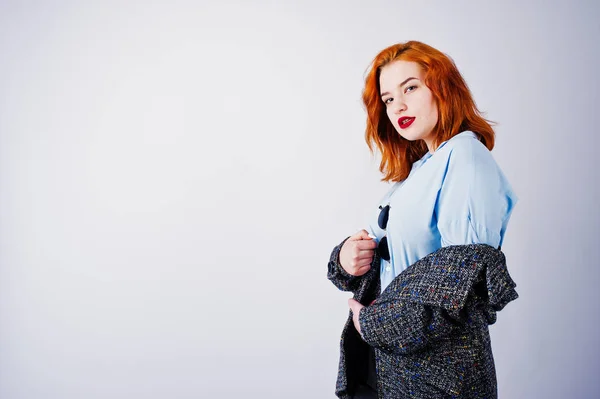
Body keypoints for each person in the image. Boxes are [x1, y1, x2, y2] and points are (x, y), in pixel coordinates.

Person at [327, 41, 519, 399]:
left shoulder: (465, 157)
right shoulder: (418, 170)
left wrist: (370, 323)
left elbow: (458, 293)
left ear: (443, 89)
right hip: (391, 364)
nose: (397, 105)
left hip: (439, 372)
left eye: (410, 87)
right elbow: (396, 263)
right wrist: (346, 258)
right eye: (387, 99)